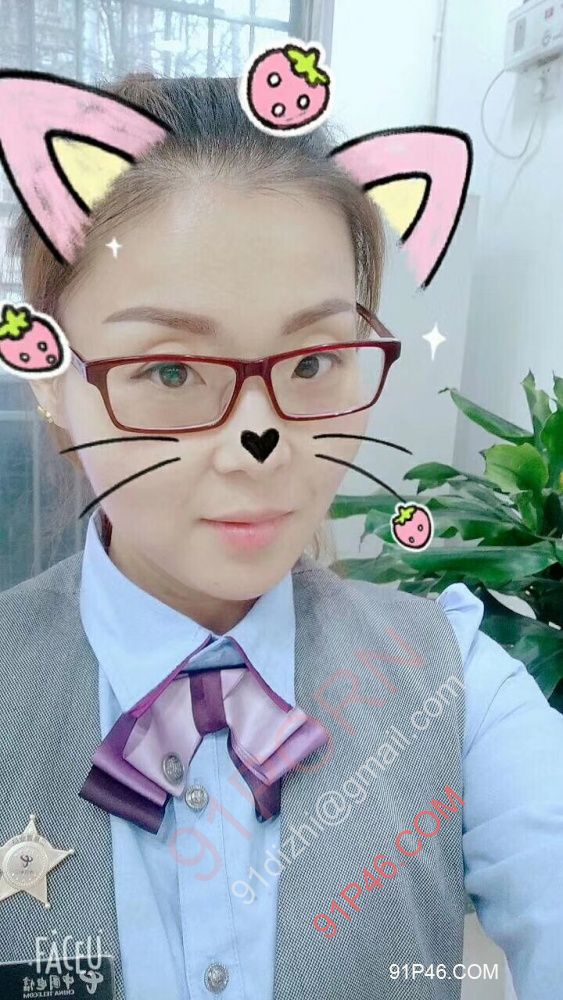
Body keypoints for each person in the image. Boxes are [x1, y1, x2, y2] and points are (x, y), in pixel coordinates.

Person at [0, 72, 561, 1000]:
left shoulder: (457, 684)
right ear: (53, 380)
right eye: (170, 371)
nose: (259, 445)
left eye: (312, 361)